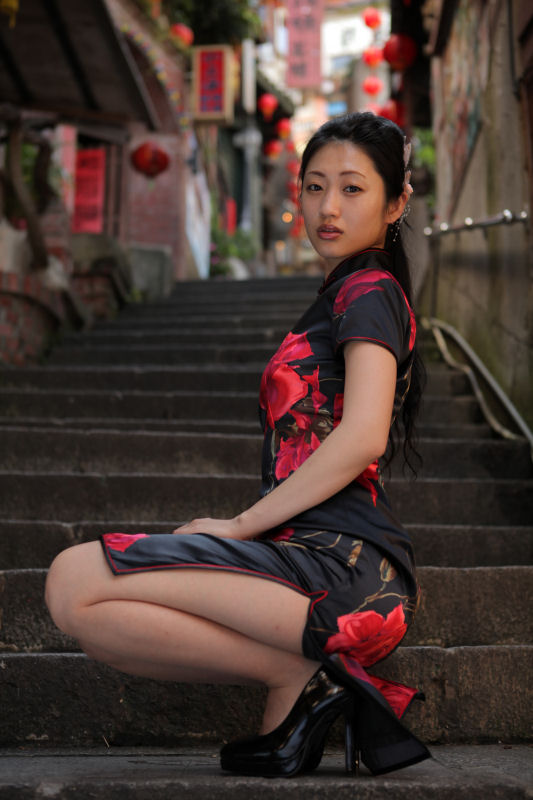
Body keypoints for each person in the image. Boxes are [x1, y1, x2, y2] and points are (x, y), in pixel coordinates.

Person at [45, 112, 430, 777]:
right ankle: (301, 681)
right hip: (312, 564)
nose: (327, 208)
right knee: (85, 604)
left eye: (352, 189)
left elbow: (365, 433)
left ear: (395, 204)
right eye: (314, 187)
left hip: (342, 570)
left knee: (74, 578)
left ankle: (307, 674)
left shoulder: (369, 291)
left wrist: (241, 525)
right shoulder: (344, 294)